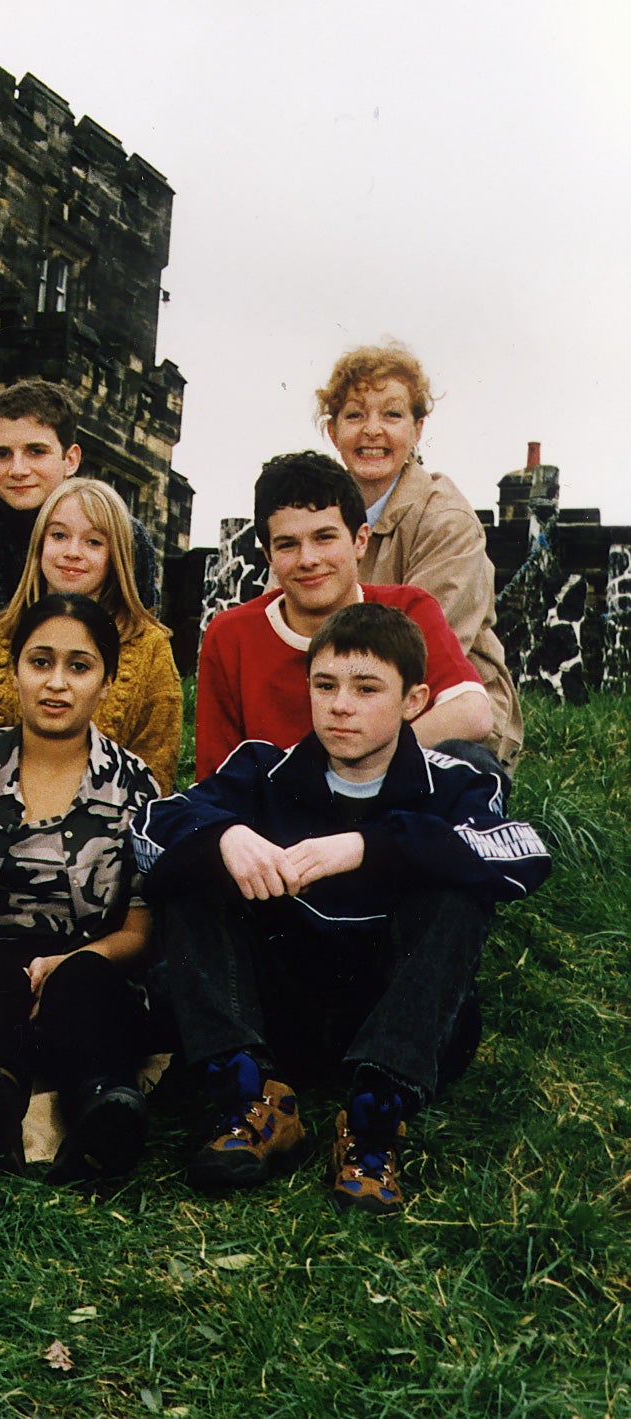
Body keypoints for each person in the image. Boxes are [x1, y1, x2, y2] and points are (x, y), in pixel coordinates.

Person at [133, 603, 549, 1213]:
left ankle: (375, 1121)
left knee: (459, 880)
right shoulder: (263, 769)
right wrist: (224, 837)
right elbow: (151, 826)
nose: (340, 705)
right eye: (324, 685)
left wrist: (368, 847)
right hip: (279, 1011)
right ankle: (249, 1096)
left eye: (366, 688)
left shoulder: (457, 782)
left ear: (414, 700)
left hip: (401, 1013)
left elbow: (523, 854)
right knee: (199, 857)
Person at [0, 594, 164, 1184]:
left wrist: (68, 963)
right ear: (13, 671)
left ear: (108, 682)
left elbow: (140, 929)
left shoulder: (135, 784)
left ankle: (101, 1118)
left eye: (79, 666)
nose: (56, 683)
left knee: (87, 986)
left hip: (87, 967)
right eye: (40, 662)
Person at [194, 452, 492, 781]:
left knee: (470, 761)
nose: (308, 559)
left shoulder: (406, 609)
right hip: (285, 810)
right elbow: (216, 776)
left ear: (359, 541)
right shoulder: (232, 634)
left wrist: (352, 771)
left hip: (389, 799)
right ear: (268, 555)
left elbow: (472, 713)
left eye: (324, 538)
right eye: (287, 544)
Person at [317, 343, 522, 770]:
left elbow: (421, 654)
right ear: (333, 431)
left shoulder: (447, 520)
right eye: (355, 415)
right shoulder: (313, 512)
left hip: (437, 707)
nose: (372, 430)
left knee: (445, 780)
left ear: (417, 428)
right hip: (339, 705)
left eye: (392, 415)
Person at [0, 478, 182, 793]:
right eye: (59, 535)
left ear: (115, 554)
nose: (72, 552)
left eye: (93, 542)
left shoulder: (150, 647)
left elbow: (155, 776)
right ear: (39, 544)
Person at [0, 379, 160, 628]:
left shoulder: (124, 530)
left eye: (36, 451)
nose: (18, 470)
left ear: (70, 459)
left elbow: (142, 632)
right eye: (1, 454)